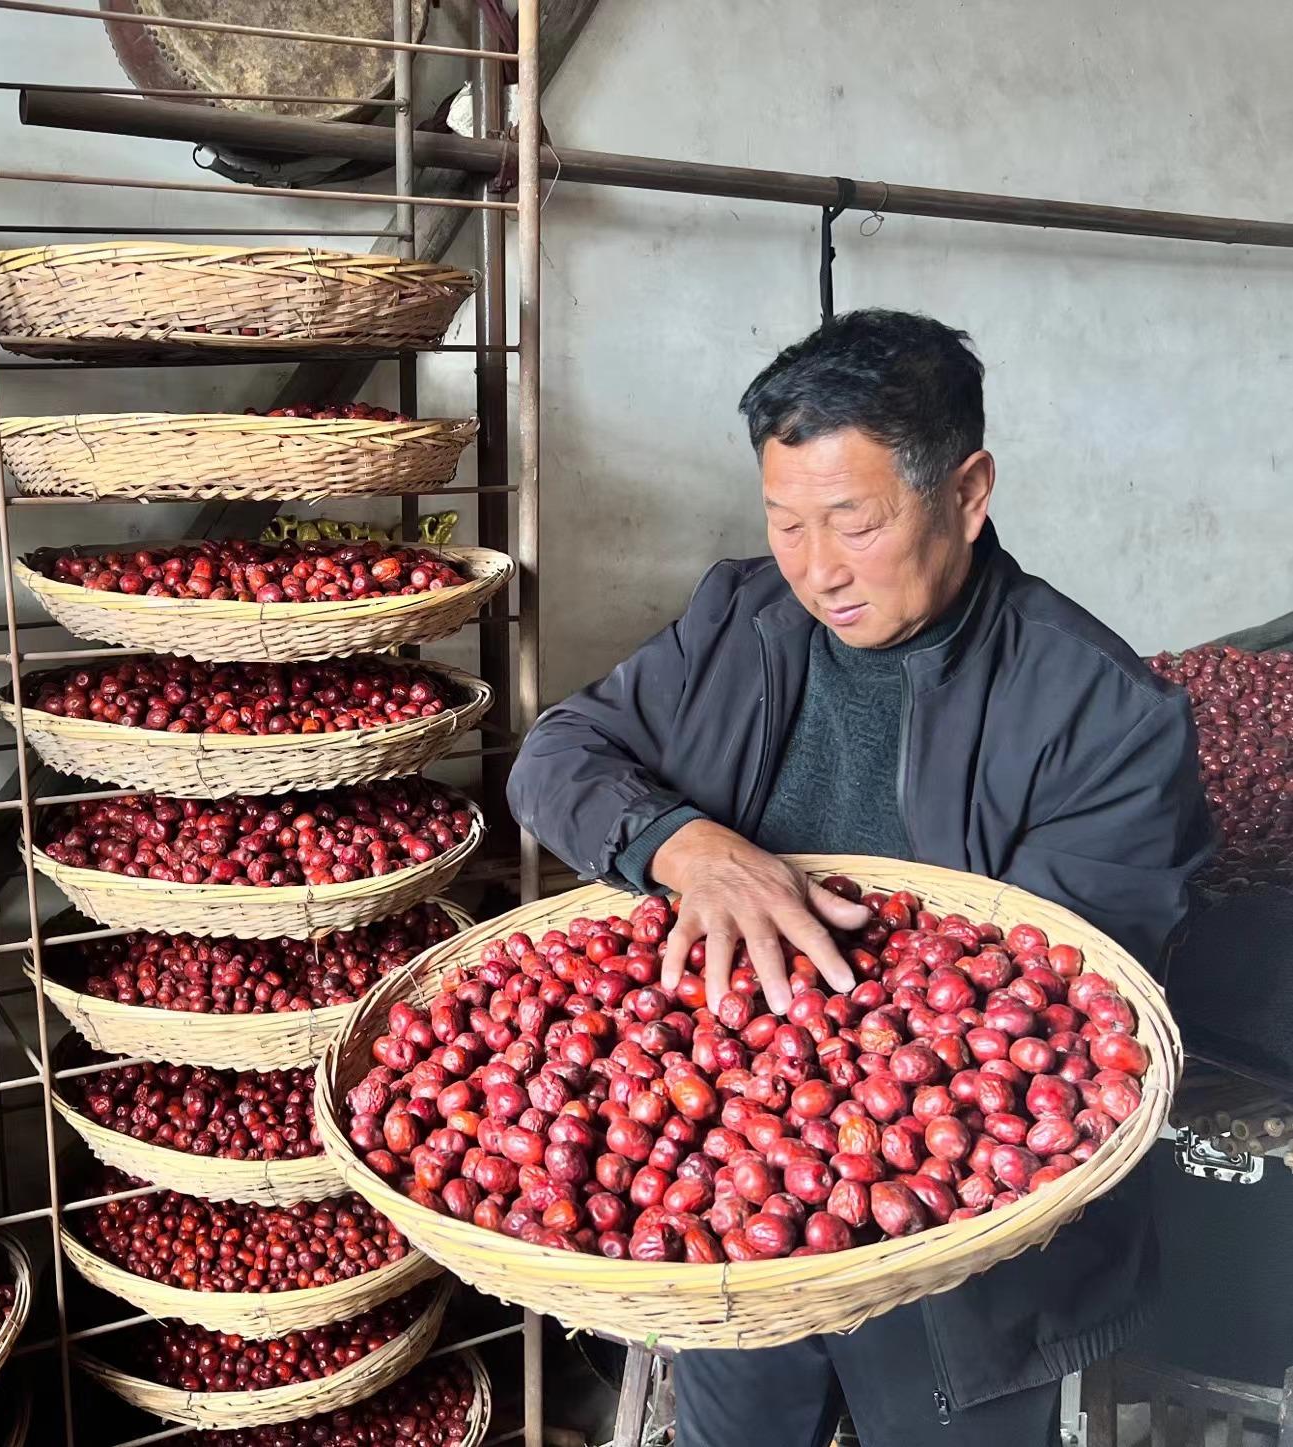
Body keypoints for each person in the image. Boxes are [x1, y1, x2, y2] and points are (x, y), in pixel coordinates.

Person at [506, 310, 1214, 1447]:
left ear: (967, 492)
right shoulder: (738, 618)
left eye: (853, 521)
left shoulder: (1101, 714)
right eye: (784, 521)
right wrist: (686, 846)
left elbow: (1041, 1012)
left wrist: (814, 1106)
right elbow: (556, 757)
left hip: (960, 1257)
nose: (816, 568)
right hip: (724, 1230)